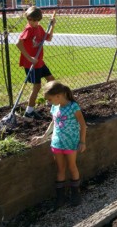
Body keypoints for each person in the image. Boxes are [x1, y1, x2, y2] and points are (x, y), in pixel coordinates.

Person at [32, 81, 87, 209]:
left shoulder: (73, 107)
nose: (49, 102)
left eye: (50, 99)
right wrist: (44, 136)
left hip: (71, 143)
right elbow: (53, 122)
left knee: (72, 167)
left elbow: (83, 125)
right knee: (60, 170)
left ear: (58, 96)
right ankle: (60, 197)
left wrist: (82, 141)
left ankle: (75, 194)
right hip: (57, 143)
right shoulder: (54, 107)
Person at [16, 6, 56, 120]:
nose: (32, 22)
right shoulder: (28, 29)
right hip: (31, 64)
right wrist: (30, 58)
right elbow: (19, 44)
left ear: (39, 20)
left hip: (40, 62)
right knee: (37, 86)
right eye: (30, 19)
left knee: (51, 79)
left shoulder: (39, 28)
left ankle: (50, 101)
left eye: (35, 20)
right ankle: (29, 111)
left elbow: (48, 38)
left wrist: (52, 26)